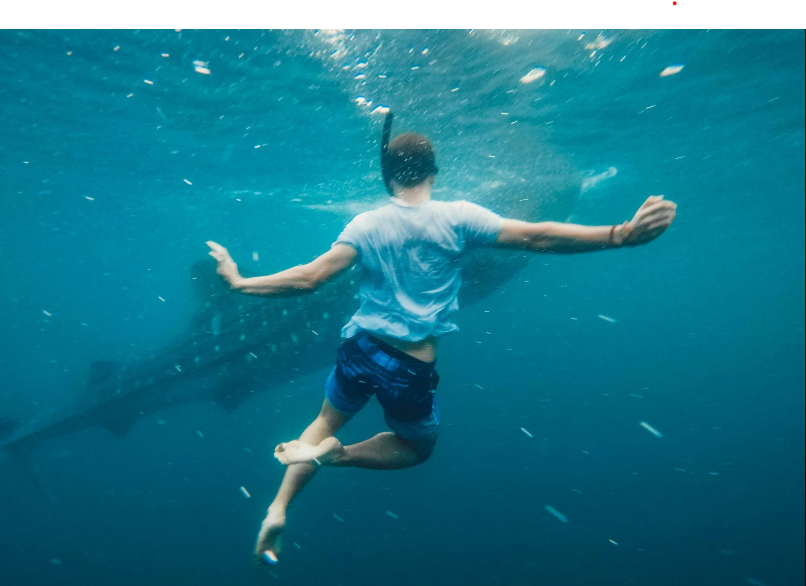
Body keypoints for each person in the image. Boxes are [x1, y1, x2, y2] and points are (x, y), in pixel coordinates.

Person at [206, 113, 677, 564]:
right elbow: (540, 237)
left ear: (387, 177)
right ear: (434, 173)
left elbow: (309, 278)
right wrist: (619, 235)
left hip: (358, 346)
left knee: (322, 422)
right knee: (416, 447)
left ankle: (279, 506)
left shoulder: (364, 224)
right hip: (409, 365)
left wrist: (239, 282)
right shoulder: (459, 217)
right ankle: (339, 458)